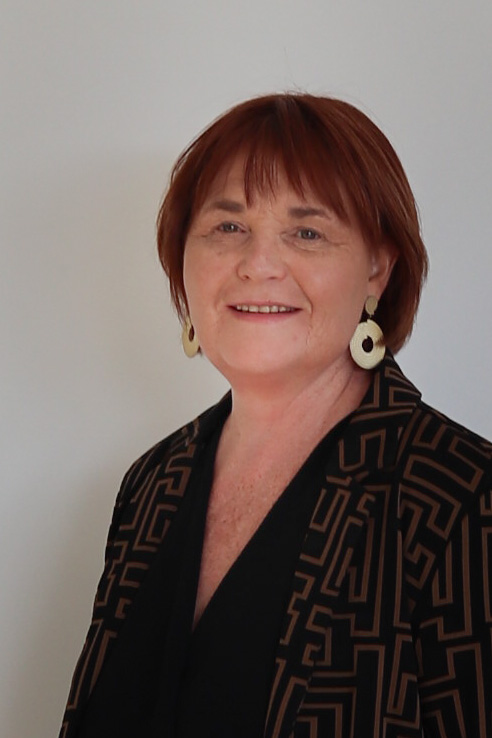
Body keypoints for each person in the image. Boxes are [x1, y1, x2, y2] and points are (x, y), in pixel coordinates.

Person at [59, 93, 492, 738]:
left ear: (377, 268)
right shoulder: (150, 485)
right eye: (228, 227)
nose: (257, 264)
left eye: (306, 232)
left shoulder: (463, 497)